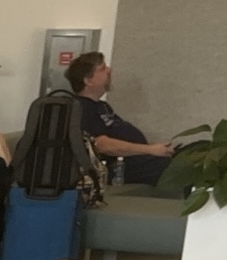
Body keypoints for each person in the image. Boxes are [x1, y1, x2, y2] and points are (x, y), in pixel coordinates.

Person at [64, 52, 174, 186]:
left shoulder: (102, 106)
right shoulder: (81, 108)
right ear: (88, 81)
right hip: (118, 167)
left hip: (135, 160)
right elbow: (101, 145)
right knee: (175, 168)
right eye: (103, 69)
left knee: (194, 152)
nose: (109, 71)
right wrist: (150, 150)